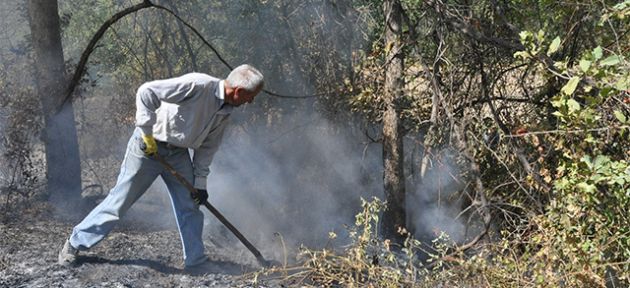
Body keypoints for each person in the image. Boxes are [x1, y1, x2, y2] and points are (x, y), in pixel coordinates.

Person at [58, 64, 264, 268]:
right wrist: (146, 133)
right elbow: (147, 91)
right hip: (148, 148)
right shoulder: (198, 85)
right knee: (119, 203)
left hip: (178, 154)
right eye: (250, 96)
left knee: (190, 205)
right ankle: (74, 243)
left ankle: (196, 260)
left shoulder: (225, 111)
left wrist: (200, 184)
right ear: (238, 91)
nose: (251, 101)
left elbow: (207, 149)